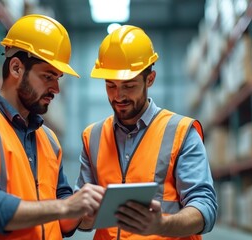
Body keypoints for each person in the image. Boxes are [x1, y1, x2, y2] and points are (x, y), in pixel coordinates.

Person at [0, 14, 104, 240]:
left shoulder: (49, 140)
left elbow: (62, 219)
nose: (56, 88)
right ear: (16, 68)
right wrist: (65, 207)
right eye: (48, 76)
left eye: (58, 78)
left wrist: (84, 213)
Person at [75, 25, 217, 239]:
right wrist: (83, 217)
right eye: (110, 85)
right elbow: (82, 219)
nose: (118, 96)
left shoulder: (180, 132)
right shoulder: (92, 136)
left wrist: (163, 225)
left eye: (129, 86)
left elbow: (205, 207)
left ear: (150, 79)